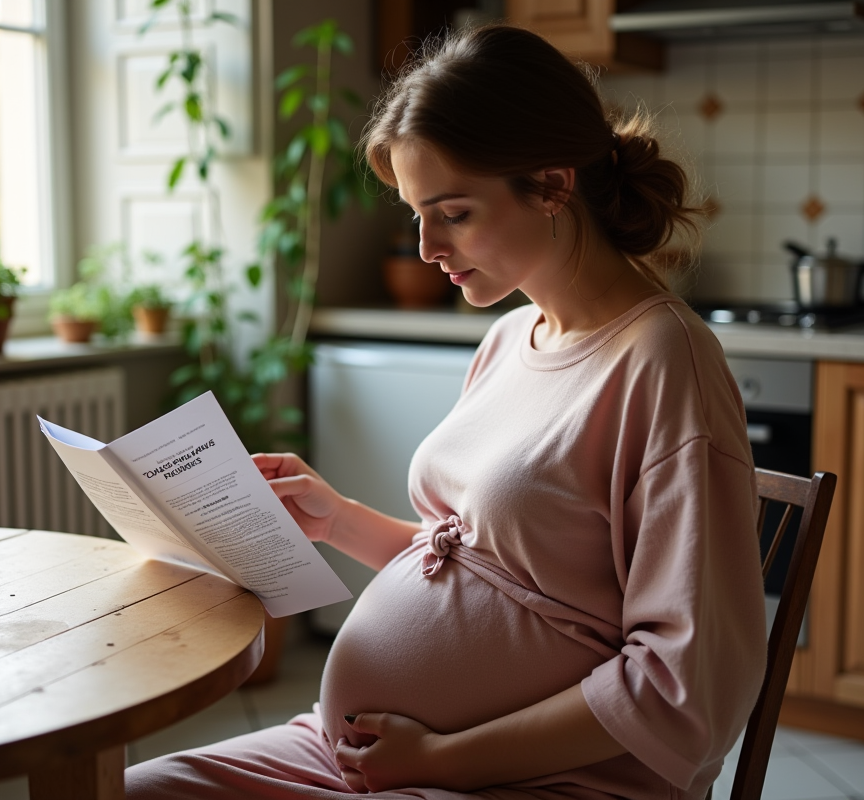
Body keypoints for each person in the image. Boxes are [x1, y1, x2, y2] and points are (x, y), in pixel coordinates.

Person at [126, 23, 767, 800]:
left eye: (454, 212)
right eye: (416, 213)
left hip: (545, 779)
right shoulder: (508, 337)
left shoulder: (664, 362)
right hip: (383, 755)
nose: (426, 246)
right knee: (140, 788)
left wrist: (438, 761)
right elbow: (488, 568)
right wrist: (338, 519)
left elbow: (682, 683)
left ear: (553, 185)